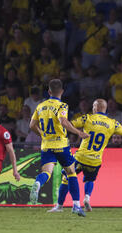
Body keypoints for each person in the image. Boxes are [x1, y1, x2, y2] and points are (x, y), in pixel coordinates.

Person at [48, 99, 122, 213]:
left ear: (95, 108)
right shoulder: (113, 123)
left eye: (93, 106)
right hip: (95, 160)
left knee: (66, 178)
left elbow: (69, 125)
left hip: (81, 157)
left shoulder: (87, 118)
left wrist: (62, 120)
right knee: (89, 180)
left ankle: (59, 206)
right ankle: (87, 198)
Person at [29, 79, 89, 217]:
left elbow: (32, 125)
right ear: (62, 91)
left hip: (46, 145)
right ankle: (76, 205)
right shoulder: (62, 106)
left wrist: (43, 135)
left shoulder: (40, 106)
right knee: (71, 173)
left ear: (49, 91)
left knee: (47, 173)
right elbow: (63, 121)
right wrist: (79, 132)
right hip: (61, 145)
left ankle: (38, 183)